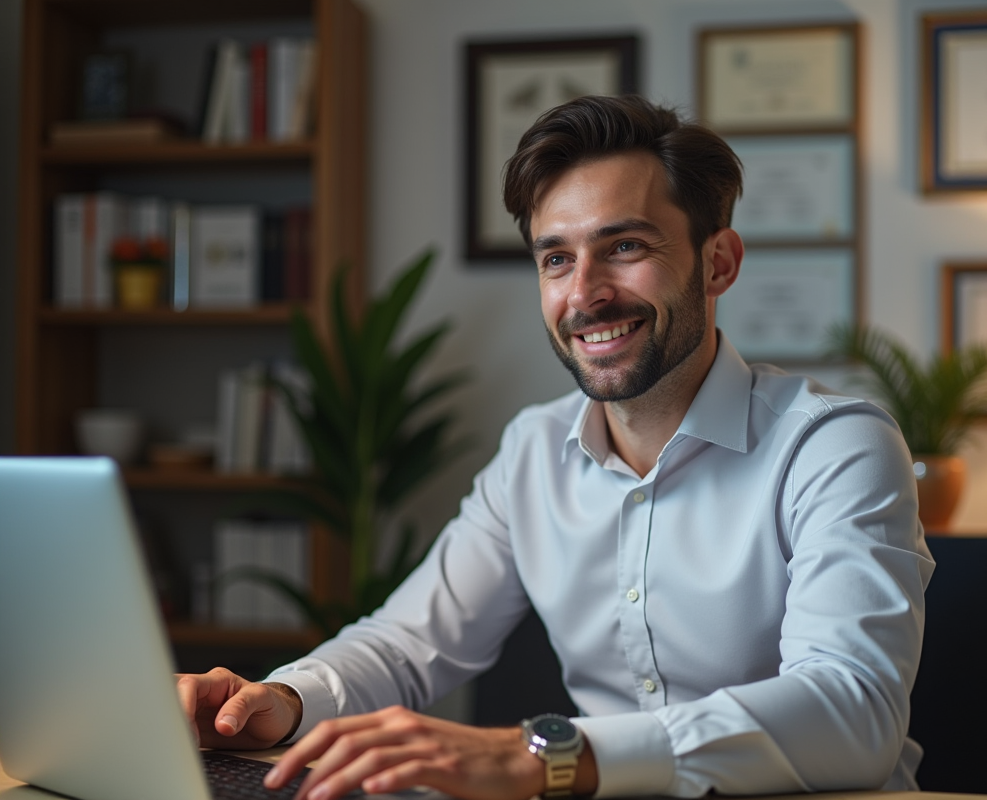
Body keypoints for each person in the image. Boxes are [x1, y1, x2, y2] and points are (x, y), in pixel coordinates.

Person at [175, 95, 934, 800]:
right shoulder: (534, 449)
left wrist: (544, 755)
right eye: (556, 259)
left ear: (718, 262)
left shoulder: (834, 445)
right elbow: (409, 644)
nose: (585, 293)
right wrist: (277, 702)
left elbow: (852, 710)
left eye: (625, 246)